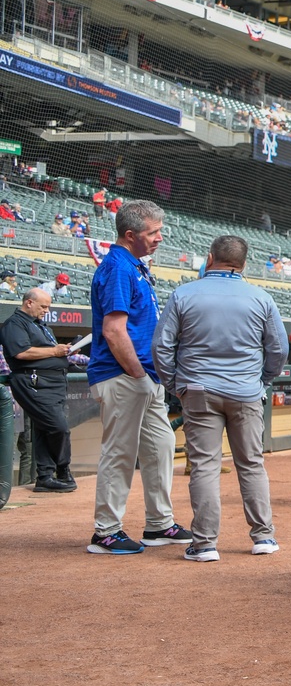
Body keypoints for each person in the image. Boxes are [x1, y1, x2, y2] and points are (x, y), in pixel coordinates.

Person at [154, 235, 288, 561]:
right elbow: (279, 350)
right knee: (252, 465)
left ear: (210, 257)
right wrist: (262, 381)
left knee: (204, 466)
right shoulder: (261, 297)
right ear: (243, 264)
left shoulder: (183, 293)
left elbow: (161, 347)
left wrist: (176, 385)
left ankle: (204, 544)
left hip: (198, 391)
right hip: (246, 392)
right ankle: (264, 538)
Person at [87, 201, 188, 554]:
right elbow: (114, 331)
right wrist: (138, 375)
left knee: (160, 447)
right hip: (122, 376)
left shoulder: (136, 266)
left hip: (144, 377)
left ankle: (159, 525)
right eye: (152, 233)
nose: (159, 238)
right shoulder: (117, 267)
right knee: (119, 454)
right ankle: (105, 532)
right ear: (130, 236)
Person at [2, 286, 75, 492]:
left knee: (45, 429)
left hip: (54, 384)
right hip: (33, 383)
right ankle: (62, 469)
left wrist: (65, 351)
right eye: (43, 306)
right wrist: (54, 351)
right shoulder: (14, 324)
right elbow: (21, 353)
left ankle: (44, 476)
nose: (46, 310)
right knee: (58, 427)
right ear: (29, 303)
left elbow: (50, 352)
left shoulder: (43, 327)